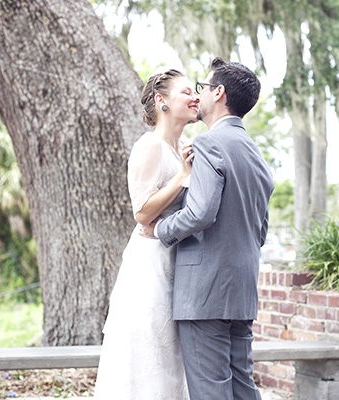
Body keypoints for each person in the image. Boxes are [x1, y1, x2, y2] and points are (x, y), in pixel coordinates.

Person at [143, 57, 274, 400]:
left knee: (210, 392)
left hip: (204, 292)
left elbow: (201, 213)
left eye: (201, 88)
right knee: (243, 386)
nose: (197, 96)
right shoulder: (256, 155)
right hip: (241, 290)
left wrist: (160, 230)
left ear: (218, 93)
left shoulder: (208, 143)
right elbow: (260, 231)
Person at [94, 69, 199, 399]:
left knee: (172, 360)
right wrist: (182, 175)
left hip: (177, 262)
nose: (196, 96)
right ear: (162, 101)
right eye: (186, 92)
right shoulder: (150, 146)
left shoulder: (182, 146)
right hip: (150, 266)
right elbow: (141, 212)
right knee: (150, 354)